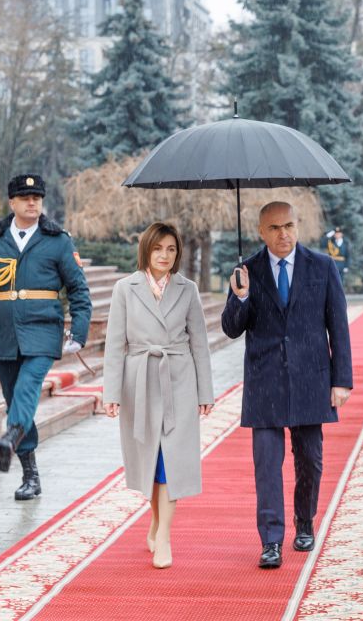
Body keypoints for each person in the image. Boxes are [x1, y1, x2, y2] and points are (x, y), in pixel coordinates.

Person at [222, 201, 352, 569]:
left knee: (310, 460)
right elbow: (231, 327)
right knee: (267, 464)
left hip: (312, 378)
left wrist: (341, 380)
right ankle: (271, 540)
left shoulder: (322, 266)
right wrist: (242, 295)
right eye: (275, 228)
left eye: (289, 226)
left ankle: (305, 519)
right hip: (265, 381)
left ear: (299, 226)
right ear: (261, 232)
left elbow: (338, 327)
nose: (284, 234)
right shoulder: (246, 269)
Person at [0, 174, 92, 500]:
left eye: (37, 198)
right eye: (25, 197)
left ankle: (11, 434)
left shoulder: (57, 240)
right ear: (12, 202)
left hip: (44, 327)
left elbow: (78, 290)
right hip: (4, 332)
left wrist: (79, 331)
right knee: (15, 397)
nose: (32, 203)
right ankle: (31, 474)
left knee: (29, 385)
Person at [102, 222, 215, 570]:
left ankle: (164, 536)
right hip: (139, 380)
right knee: (150, 460)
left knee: (172, 461)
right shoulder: (125, 288)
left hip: (178, 378)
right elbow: (114, 344)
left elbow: (200, 343)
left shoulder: (188, 289)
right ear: (146, 251)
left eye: (171, 249)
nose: (164, 256)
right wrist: (112, 392)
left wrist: (205, 390)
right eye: (157, 249)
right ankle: (155, 520)